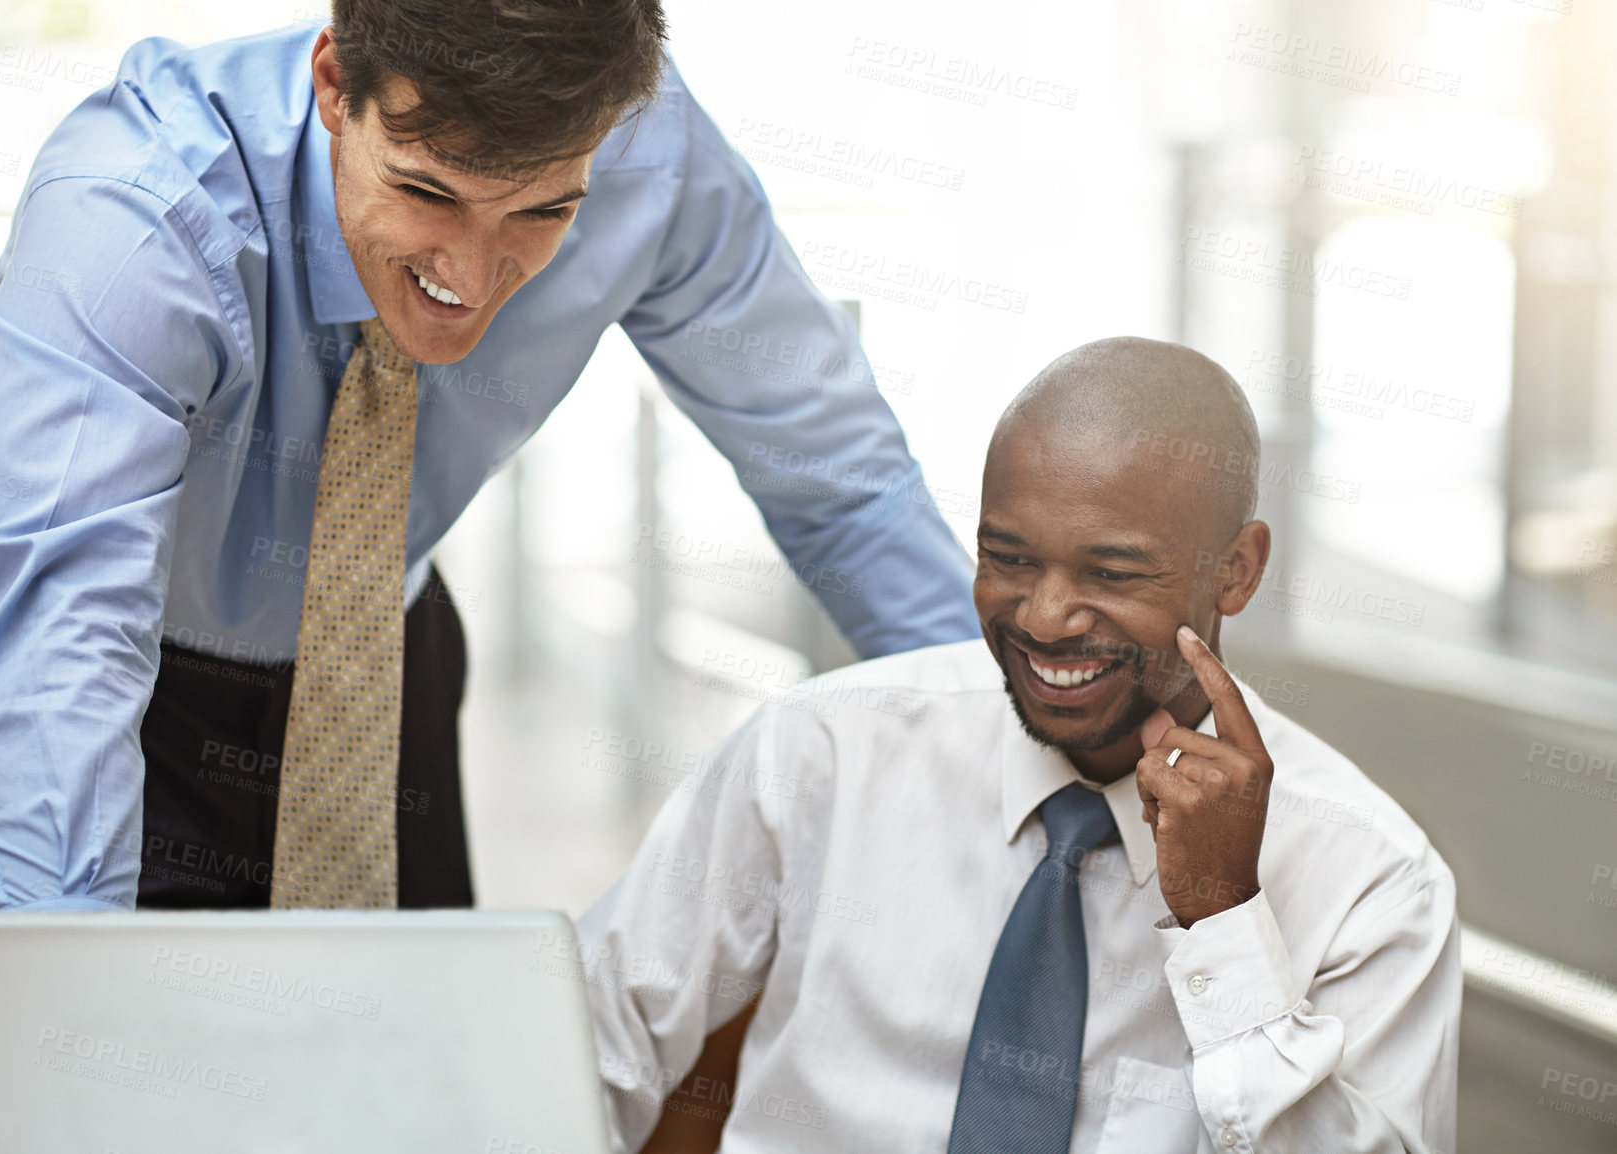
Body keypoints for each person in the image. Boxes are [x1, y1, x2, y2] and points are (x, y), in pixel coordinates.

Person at [0, 1, 978, 913]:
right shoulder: (132, 218)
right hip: (123, 661)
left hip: (381, 648)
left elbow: (842, 488)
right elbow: (56, 654)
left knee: (407, 1062)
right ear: (337, 82)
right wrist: (63, 1001)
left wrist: (1006, 745)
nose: (472, 275)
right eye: (429, 192)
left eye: (542, 210)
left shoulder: (649, 154)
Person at [577, 337, 1459, 1152]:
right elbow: (581, 1041)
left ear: (1236, 570)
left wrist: (1224, 925)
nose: (1042, 619)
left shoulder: (1371, 879)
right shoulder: (819, 754)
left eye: (1110, 574)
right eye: (1008, 558)